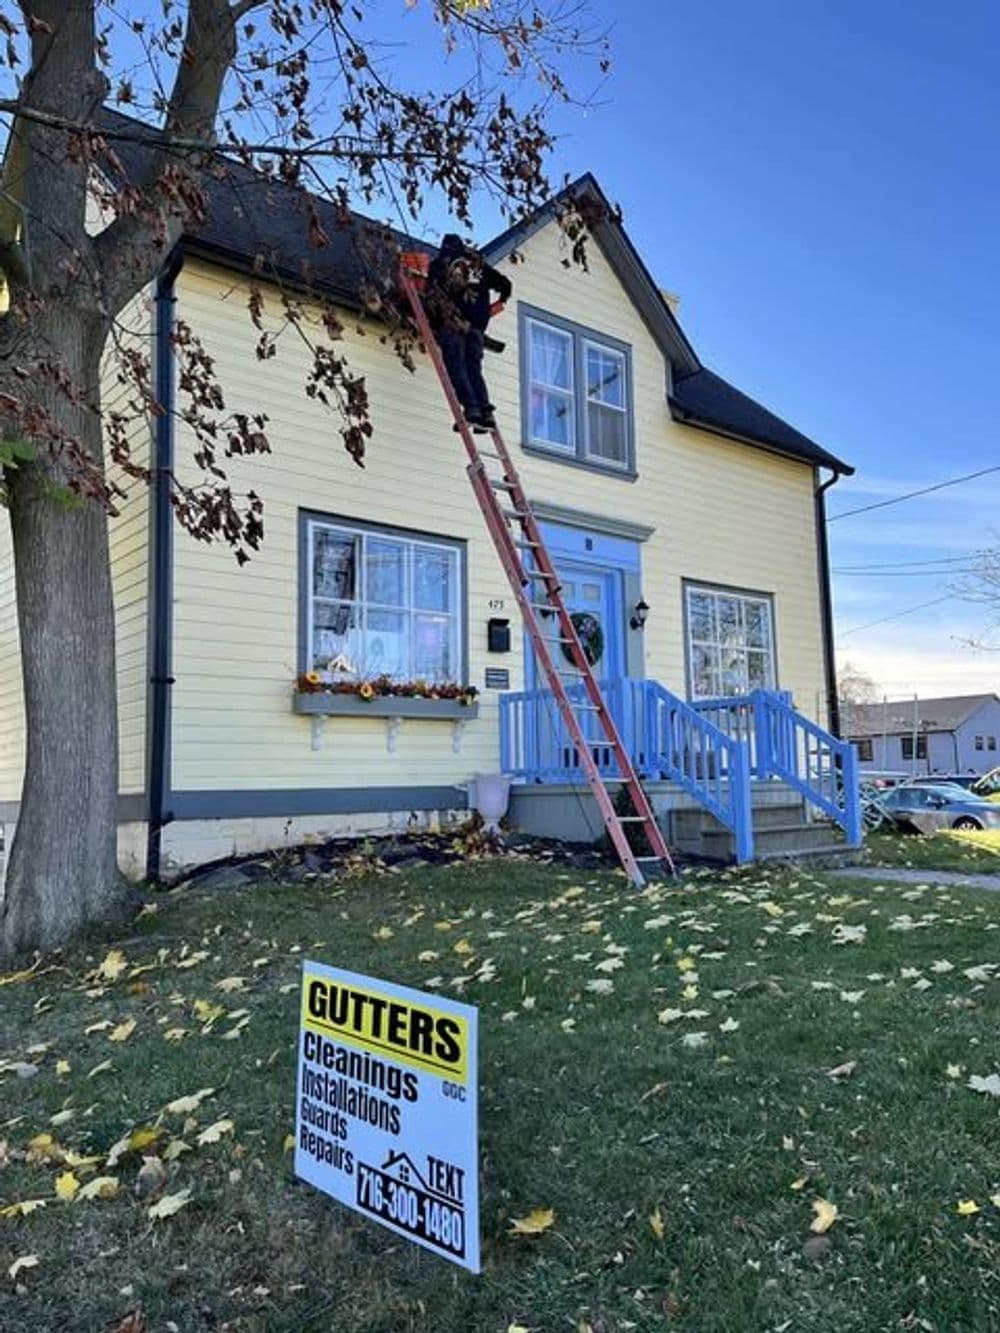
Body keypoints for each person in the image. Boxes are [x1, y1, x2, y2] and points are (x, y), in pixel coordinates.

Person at [425, 233, 512, 431]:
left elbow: (431, 297)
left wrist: (434, 320)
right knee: (474, 369)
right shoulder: (478, 267)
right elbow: (505, 285)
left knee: (457, 367)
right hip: (477, 329)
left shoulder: (440, 265)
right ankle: (486, 413)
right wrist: (498, 304)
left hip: (453, 325)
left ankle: (472, 409)